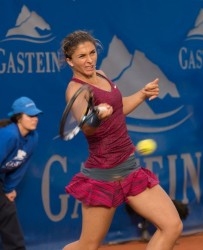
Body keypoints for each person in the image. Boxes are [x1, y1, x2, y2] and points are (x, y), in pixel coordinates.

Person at [61, 30, 183, 250]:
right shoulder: (76, 89)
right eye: (81, 56)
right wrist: (96, 114)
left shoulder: (102, 74)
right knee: (88, 245)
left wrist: (142, 94)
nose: (89, 60)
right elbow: (87, 127)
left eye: (92, 53)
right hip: (104, 174)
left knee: (172, 226)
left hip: (130, 168)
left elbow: (119, 107)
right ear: (70, 61)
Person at [0, 97, 42, 249]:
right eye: (30, 115)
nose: (35, 119)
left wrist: (9, 188)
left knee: (8, 213)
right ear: (18, 117)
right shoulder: (8, 135)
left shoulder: (33, 138)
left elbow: (20, 167)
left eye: (36, 115)